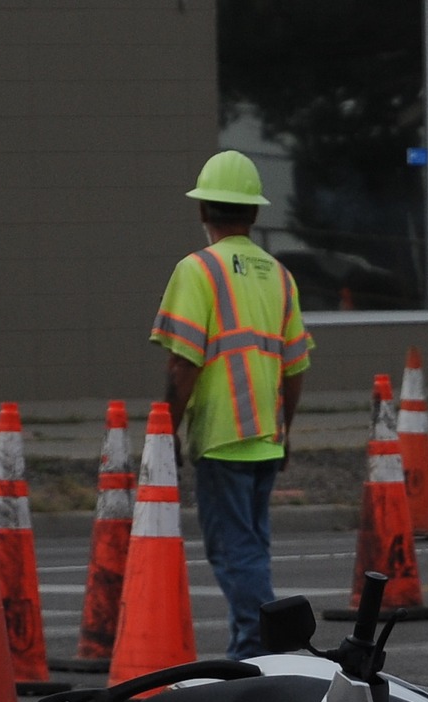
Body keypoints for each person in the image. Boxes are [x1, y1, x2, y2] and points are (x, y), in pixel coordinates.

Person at [151, 150, 311, 659]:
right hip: (265, 435)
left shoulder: (197, 270)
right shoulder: (280, 277)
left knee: (235, 553)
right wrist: (285, 431)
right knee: (253, 551)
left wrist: (164, 433)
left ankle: (261, 649)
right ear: (255, 214)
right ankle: (255, 645)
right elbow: (294, 368)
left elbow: (184, 366)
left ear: (204, 213)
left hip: (222, 436)